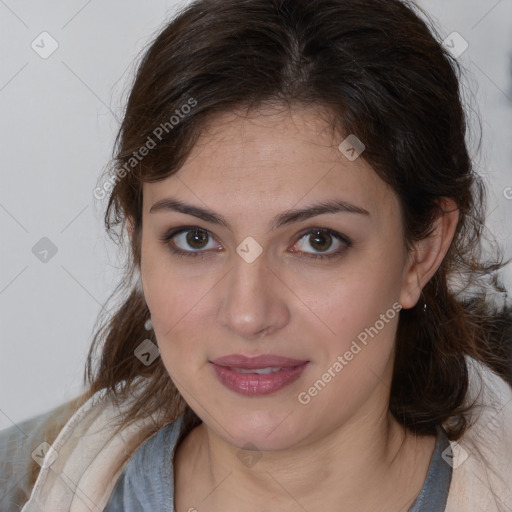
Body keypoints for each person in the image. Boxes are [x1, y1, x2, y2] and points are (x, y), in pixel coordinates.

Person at [1, 0, 511, 510]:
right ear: (138, 242)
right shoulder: (17, 483)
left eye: (318, 241)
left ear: (421, 252)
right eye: (195, 238)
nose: (248, 314)